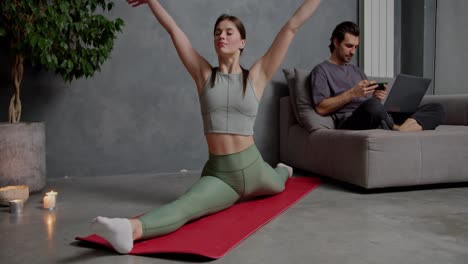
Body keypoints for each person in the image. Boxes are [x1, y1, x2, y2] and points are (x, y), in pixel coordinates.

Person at [90, 0, 321, 254]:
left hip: (253, 167)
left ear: (242, 42)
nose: (221, 36)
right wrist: (152, 2)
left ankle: (283, 171)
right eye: (217, 33)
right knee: (187, 205)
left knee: (277, 183)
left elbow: (292, 26)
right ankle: (130, 229)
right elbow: (174, 31)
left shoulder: (256, 76)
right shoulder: (204, 75)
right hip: (221, 175)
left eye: (228, 32)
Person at [310, 21, 445, 131]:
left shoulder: (357, 71)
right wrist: (352, 93)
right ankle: (395, 127)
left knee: (436, 108)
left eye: (356, 47)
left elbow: (370, 102)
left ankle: (401, 129)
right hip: (351, 121)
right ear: (335, 42)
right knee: (372, 106)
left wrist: (377, 97)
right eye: (349, 46)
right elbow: (321, 108)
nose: (353, 52)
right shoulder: (321, 71)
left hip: (376, 116)